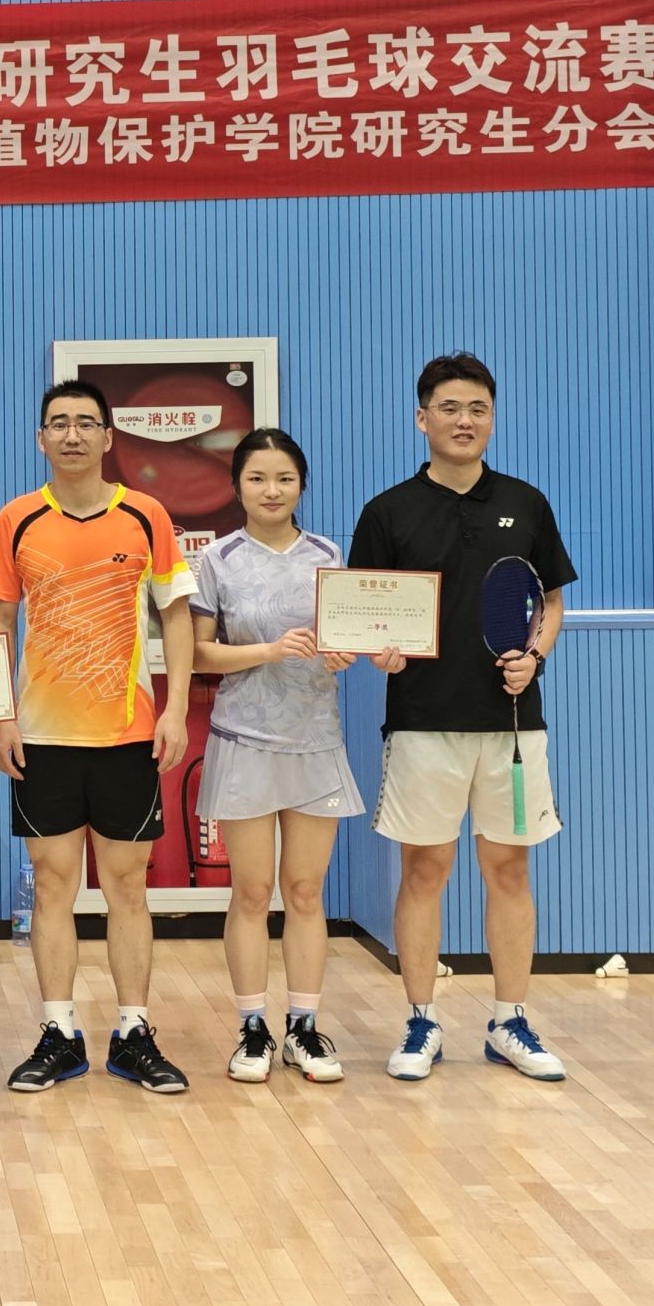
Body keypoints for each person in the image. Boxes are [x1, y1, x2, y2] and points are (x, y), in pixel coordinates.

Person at [348, 352, 576, 1083]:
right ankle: (422, 1021)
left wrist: (534, 656)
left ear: (493, 419)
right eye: (449, 408)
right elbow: (366, 615)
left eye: (478, 408)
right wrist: (379, 652)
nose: (464, 420)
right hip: (422, 722)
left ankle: (510, 1021)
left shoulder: (527, 503)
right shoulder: (387, 512)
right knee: (425, 868)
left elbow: (551, 602)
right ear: (422, 419)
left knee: (509, 868)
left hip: (512, 726)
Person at [0, 379, 197, 1093]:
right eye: (58, 423)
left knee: (128, 885)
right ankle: (58, 1032)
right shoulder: (17, 519)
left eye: (85, 423)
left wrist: (174, 710)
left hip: (128, 735)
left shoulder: (146, 514)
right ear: (41, 438)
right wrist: (2, 717)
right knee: (52, 885)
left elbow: (177, 616)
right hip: (42, 736)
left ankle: (133, 1033)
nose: (72, 435)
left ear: (107, 436)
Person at [190, 429, 392, 1085]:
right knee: (252, 892)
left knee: (305, 891)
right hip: (244, 740)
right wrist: (269, 651)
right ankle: (252, 1028)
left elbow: (352, 637)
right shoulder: (216, 559)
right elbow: (199, 654)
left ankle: (304, 1026)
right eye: (257, 478)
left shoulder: (330, 555)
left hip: (315, 740)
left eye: (284, 478)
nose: (271, 490)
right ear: (237, 486)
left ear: (302, 484)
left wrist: (351, 652)